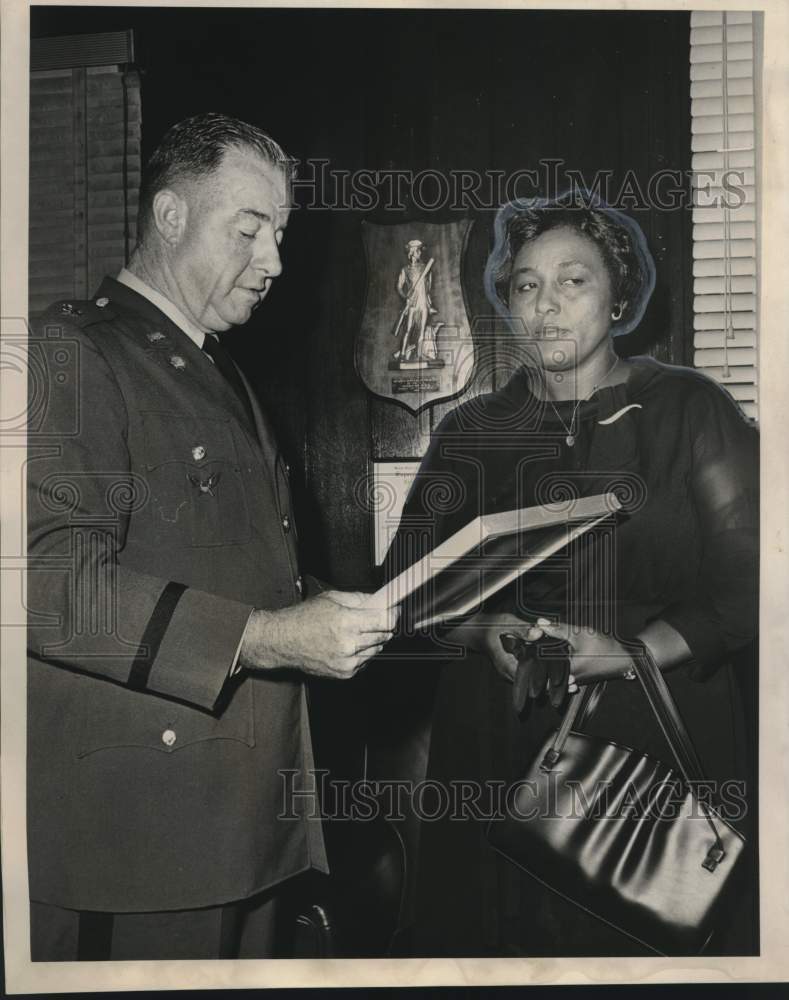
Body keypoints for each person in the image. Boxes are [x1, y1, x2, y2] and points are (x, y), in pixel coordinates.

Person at [26, 113, 395, 961]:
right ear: (169, 215)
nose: (272, 262)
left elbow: (215, 559)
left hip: (241, 819)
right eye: (250, 228)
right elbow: (49, 586)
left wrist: (313, 610)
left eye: (280, 234)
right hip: (145, 834)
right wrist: (266, 637)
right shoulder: (74, 353)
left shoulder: (208, 367)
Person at [383, 191, 759, 956]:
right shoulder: (470, 432)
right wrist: (486, 626)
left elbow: (756, 581)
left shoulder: (689, 409)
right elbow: (403, 592)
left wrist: (633, 651)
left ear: (618, 297)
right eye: (525, 284)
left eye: (572, 281)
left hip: (648, 741)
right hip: (497, 740)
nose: (544, 306)